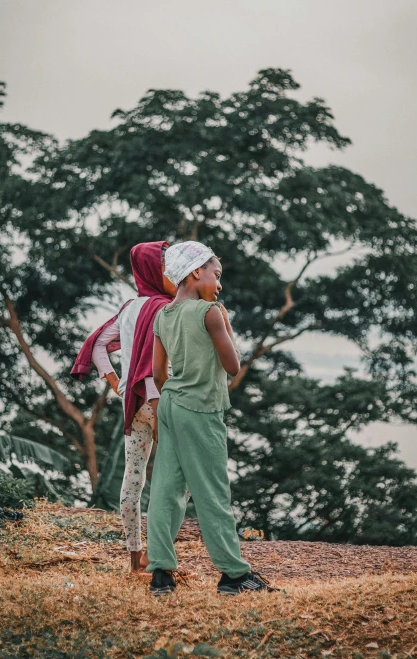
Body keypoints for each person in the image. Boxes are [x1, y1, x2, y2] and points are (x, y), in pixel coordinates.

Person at [147, 241, 277, 595]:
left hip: (171, 404)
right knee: (213, 492)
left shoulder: (163, 315)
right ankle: (234, 575)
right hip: (200, 409)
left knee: (166, 490)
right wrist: (226, 324)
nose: (219, 284)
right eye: (215, 275)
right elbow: (233, 367)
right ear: (194, 273)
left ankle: (161, 573)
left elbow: (158, 374)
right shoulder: (211, 312)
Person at [71, 240, 177, 572]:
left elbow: (99, 344)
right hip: (163, 403)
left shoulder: (130, 307)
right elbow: (160, 365)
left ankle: (135, 557)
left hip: (133, 404)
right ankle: (161, 554)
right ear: (153, 270)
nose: (172, 273)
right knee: (176, 481)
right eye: (166, 267)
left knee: (133, 479)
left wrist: (116, 383)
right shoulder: (167, 308)